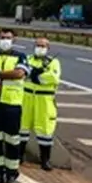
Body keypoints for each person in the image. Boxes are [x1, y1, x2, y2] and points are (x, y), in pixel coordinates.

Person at [0, 29, 31, 183]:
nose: (5, 40)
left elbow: (19, 74)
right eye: (3, 37)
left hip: (12, 104)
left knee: (12, 140)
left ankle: (12, 173)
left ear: (14, 39)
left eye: (8, 38)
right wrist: (3, 74)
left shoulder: (21, 56)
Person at [18, 37, 62, 171]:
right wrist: (36, 75)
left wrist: (36, 77)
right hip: (26, 97)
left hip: (44, 100)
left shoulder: (54, 62)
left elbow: (54, 78)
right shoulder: (27, 59)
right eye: (38, 45)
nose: (40, 48)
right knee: (22, 128)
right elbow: (21, 74)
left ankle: (45, 160)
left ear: (48, 48)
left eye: (43, 46)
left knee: (45, 131)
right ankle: (19, 156)